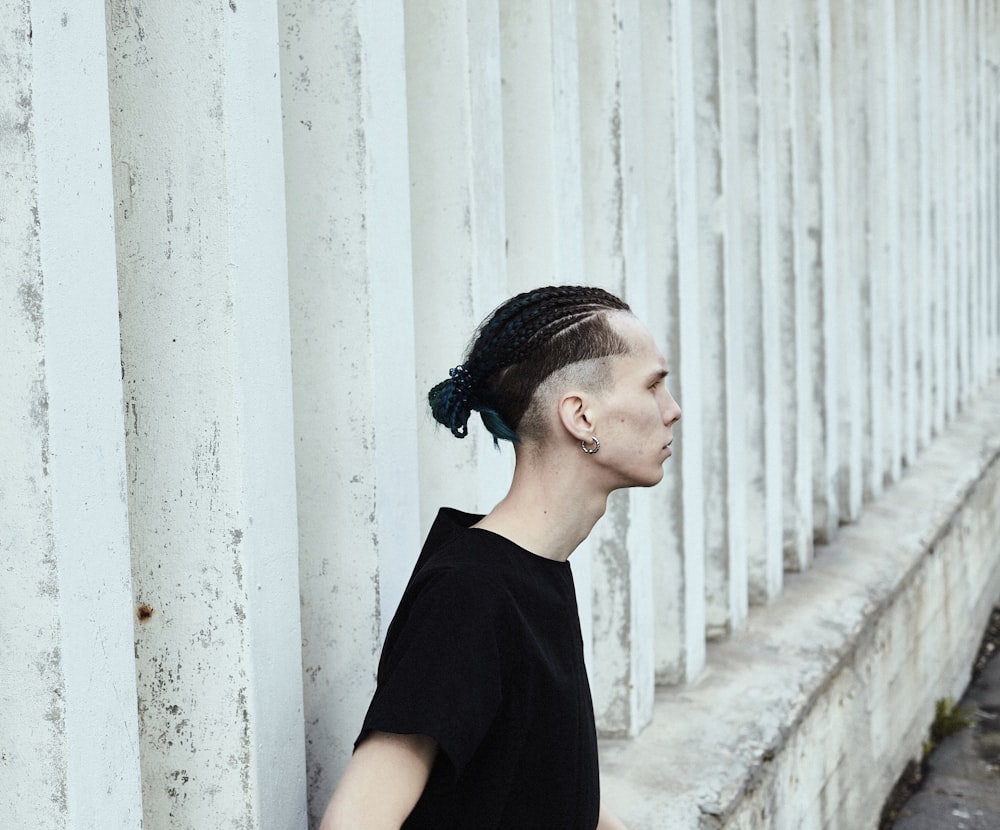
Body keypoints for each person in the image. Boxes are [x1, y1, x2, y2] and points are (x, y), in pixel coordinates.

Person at [320, 285, 681, 829]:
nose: (671, 411)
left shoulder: (532, 571)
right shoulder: (469, 594)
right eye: (654, 386)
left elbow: (541, 782)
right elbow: (356, 822)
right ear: (581, 417)